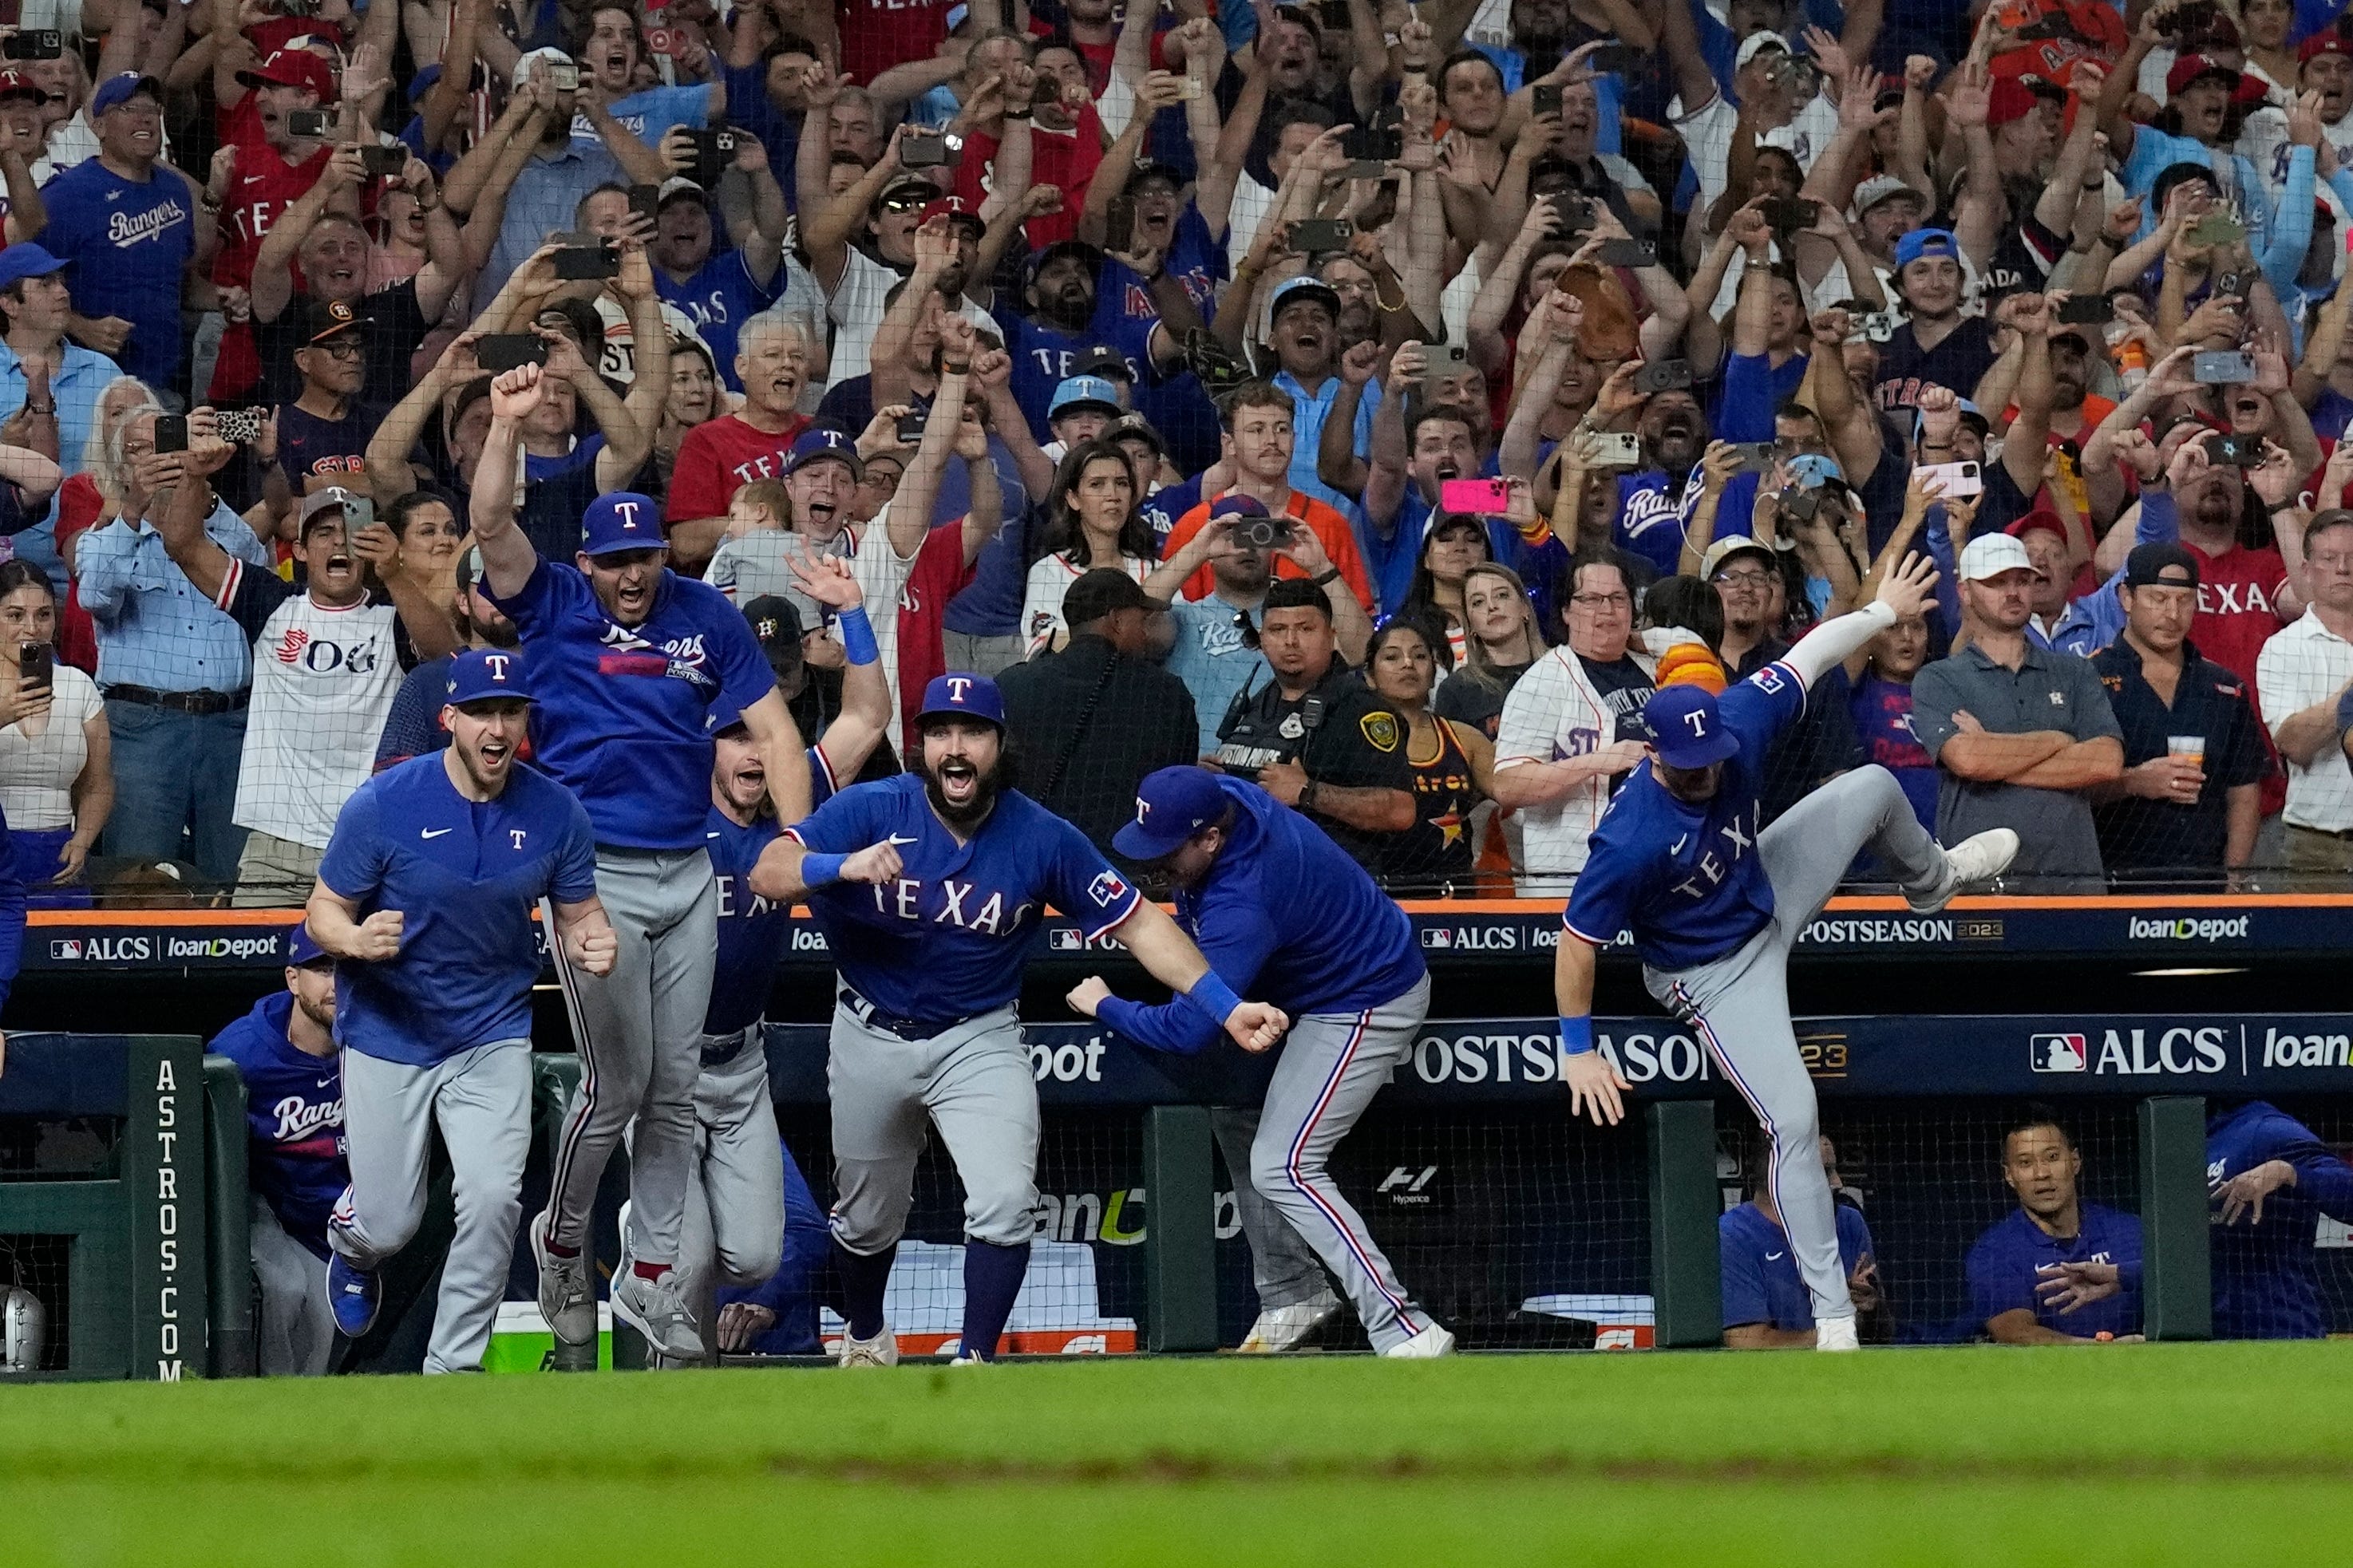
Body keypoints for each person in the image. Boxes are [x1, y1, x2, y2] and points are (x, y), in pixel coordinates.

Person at [749, 673, 1286, 1365]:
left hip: (978, 1034)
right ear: (922, 746)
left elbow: (1142, 926)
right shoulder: (873, 806)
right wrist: (840, 865)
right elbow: (769, 869)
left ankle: (976, 1361)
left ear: (1000, 744)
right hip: (869, 1027)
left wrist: (1229, 1005)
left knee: (1005, 1200)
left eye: (972, 731)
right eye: (940, 731)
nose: (955, 746)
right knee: (864, 1219)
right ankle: (862, 1333)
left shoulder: (1042, 836)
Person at [1552, 555, 2017, 1354]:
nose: (1707, 775)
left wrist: (1878, 613)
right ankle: (1834, 1321)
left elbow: (1806, 657)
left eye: (1712, 759)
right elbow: (1576, 939)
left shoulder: (1734, 722)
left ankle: (1933, 880)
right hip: (1710, 973)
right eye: (1688, 769)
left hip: (1762, 882)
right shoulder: (1627, 838)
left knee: (1873, 785)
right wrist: (1576, 1050)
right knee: (1793, 1119)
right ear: (1654, 755)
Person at [469, 362, 804, 1364]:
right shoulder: (556, 600)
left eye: (643, 556)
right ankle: (563, 1239)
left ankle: (654, 1283)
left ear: (663, 552)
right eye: (613, 558)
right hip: (590, 877)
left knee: (669, 1085)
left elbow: (778, 736)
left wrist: (790, 836)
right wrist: (501, 427)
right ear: (589, 557)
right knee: (615, 1084)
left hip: (688, 871)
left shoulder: (704, 615)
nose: (629, 573)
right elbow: (489, 525)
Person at [1071, 764, 1454, 1357]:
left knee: (1285, 1163)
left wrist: (1106, 1005)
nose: (1155, 864)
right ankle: (1292, 1294)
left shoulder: (1242, 899)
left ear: (1211, 839)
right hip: (1299, 986)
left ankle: (1404, 1326)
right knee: (1236, 1106)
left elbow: (1188, 1028)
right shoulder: (1225, 798)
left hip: (1365, 996)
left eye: (1169, 850)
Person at [306, 649, 619, 1374]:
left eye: (511, 711)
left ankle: (453, 1370)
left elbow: (580, 914)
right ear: (450, 718)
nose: (498, 725)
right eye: (482, 710)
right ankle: (354, 1246)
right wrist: (354, 938)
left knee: (492, 1197)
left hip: (491, 1030)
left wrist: (592, 939)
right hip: (390, 1028)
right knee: (392, 1222)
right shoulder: (386, 802)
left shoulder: (556, 812)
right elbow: (324, 908)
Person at [631, 556, 895, 1367]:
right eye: (734, 735)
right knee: (694, 1264)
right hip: (663, 1065)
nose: (752, 750)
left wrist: (852, 614)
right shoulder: (660, 807)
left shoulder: (795, 803)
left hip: (739, 1061)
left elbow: (868, 717)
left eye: (764, 731)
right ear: (704, 746)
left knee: (760, 1259)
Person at [148, 473, 457, 906]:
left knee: (369, 969)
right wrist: (196, 471)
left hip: (368, 841)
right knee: (255, 970)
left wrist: (397, 575)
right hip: (275, 846)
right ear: (301, 550)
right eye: (324, 533)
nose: (338, 544)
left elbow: (445, 660)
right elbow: (181, 543)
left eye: (351, 533)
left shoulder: (391, 615)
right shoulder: (271, 604)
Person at [73, 401, 276, 885]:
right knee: (139, 880)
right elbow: (95, 594)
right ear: (121, 467)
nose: (156, 460)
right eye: (139, 451)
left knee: (238, 880)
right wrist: (133, 511)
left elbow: (253, 564)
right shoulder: (101, 538)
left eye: (167, 444)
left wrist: (201, 489)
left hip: (231, 730)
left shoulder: (222, 527)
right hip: (143, 730)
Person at [1909, 534, 2126, 893]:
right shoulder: (1938, 677)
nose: (2013, 592)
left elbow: (2105, 763)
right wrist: (2058, 740)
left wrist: (1993, 751)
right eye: (1996, 582)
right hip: (1977, 888)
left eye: (2022, 581)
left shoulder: (2075, 672)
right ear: (1964, 592)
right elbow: (1967, 760)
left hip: (2072, 883)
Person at [208, 923, 346, 1376]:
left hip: (340, 1220)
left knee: (327, 1316)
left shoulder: (381, 1042)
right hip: (266, 1202)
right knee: (283, 1289)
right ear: (292, 979)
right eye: (321, 969)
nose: (336, 985)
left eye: (347, 969)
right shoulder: (241, 1052)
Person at [1210, 576, 1415, 878]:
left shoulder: (1360, 709)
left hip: (1332, 890)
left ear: (1331, 635)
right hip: (1255, 878)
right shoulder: (1256, 701)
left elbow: (1401, 811)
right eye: (1278, 630)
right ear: (1262, 639)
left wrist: (1309, 792)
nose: (1290, 641)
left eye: (1305, 629)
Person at [2089, 545, 2268, 883]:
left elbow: (2244, 792)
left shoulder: (2226, 689)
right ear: (2126, 597)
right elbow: (2068, 786)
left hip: (2206, 888)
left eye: (2184, 601)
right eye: (2158, 599)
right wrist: (2132, 782)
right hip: (2113, 888)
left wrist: (2234, 880)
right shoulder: (2087, 680)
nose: (2172, 614)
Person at [998, 569, 1197, 856]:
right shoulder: (1167, 693)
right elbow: (1176, 789)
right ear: (1116, 620)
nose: (1145, 633)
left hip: (1030, 864)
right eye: (1142, 621)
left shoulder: (1010, 685)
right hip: (1127, 874)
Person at [35, 74, 208, 400]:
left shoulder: (175, 190)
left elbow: (178, 280)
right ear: (99, 128)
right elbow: (18, 284)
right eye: (128, 108)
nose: (144, 117)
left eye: (152, 109)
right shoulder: (66, 197)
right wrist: (80, 326)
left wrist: (223, 298)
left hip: (165, 380)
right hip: (92, 385)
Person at [1146, 499, 1363, 756]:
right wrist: (1197, 549)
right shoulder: (1184, 619)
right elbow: (1139, 617)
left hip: (1282, 774)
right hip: (1202, 776)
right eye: (1233, 535)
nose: (1247, 546)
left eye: (1259, 533)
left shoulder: (1298, 619)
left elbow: (1360, 651)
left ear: (1272, 545)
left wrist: (1321, 568)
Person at [1492, 555, 1658, 891]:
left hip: (1655, 866)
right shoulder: (1542, 683)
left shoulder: (1659, 667)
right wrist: (1599, 761)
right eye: (1591, 600)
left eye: (1617, 599)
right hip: (1572, 874)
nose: (1607, 611)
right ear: (1567, 611)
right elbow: (1508, 786)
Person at [1964, 1108, 2143, 1345]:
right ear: (2010, 1175)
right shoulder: (1994, 1252)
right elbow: (2015, 1332)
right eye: (2025, 1163)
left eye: (2052, 1157)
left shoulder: (2131, 1231)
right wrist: (2099, 1352)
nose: (2041, 1174)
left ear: (2075, 1162)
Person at [2201, 1100, 2353, 1341]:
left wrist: (2287, 1172)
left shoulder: (2268, 1129)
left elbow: (2347, 1192)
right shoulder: (2183, 1136)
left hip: (2280, 1335)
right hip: (2203, 1341)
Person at [0, 560, 108, 897]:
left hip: (59, 855)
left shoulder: (79, 686)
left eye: (44, 615)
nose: (31, 628)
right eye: (15, 616)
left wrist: (83, 840)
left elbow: (99, 784)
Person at [1363, 618, 1492, 895]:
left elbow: (1514, 790)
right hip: (1378, 900)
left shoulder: (1464, 738)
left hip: (1455, 901)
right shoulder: (1351, 740)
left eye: (1420, 656)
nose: (1408, 664)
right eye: (1392, 656)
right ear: (1369, 676)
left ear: (1434, 673)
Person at [1720, 1128, 1880, 1350]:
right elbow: (1747, 1342)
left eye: (1835, 1171)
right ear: (1783, 1178)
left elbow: (1883, 1331)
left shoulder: (1848, 1223)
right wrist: (1835, 1336)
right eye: (1824, 1172)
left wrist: (1868, 1313)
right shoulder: (1733, 1235)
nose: (1837, 1183)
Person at [2257, 509, 2353, 876]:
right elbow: (2294, 743)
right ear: (2308, 570)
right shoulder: (2282, 649)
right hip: (2317, 845)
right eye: (2329, 559)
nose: (2343, 568)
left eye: (2351, 559)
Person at [1018, 439, 1156, 655]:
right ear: (1073, 498)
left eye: (1121, 483)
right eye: (1097, 484)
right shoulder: (1049, 572)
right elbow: (1041, 652)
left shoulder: (1153, 569)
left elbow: (1168, 641)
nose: (1113, 495)